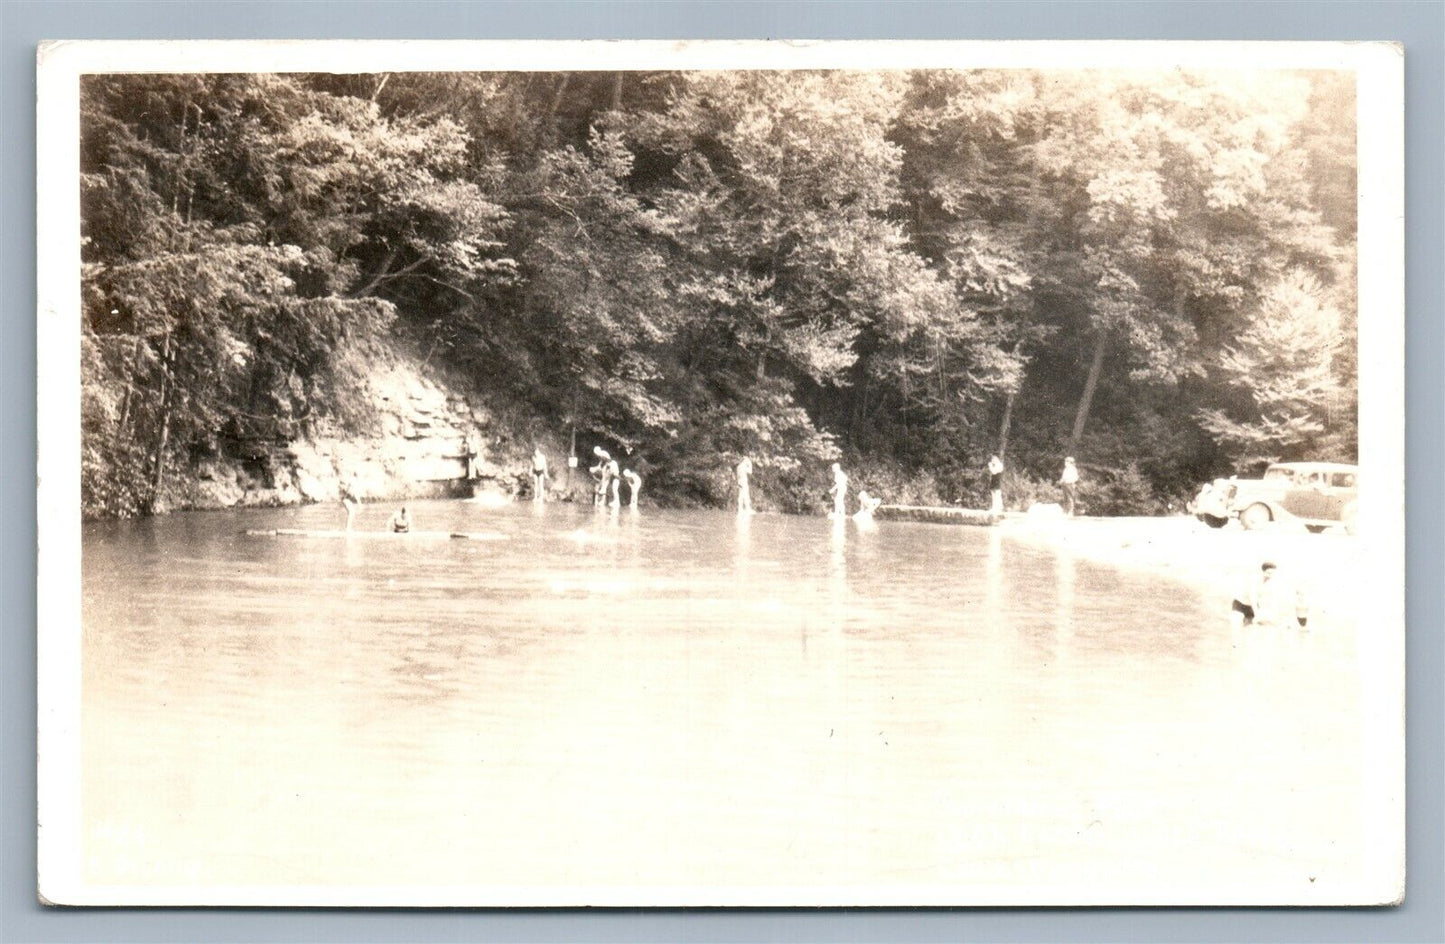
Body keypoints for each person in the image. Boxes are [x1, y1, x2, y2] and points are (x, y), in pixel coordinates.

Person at [1231, 561, 1309, 628]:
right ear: (1262, 571)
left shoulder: (1268, 582)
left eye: (1272, 574)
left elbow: (1267, 600)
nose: (1270, 575)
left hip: (1250, 607)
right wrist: (1257, 614)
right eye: (1268, 573)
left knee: (1249, 629)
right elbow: (1253, 598)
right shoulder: (1254, 580)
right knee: (1237, 627)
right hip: (1240, 605)